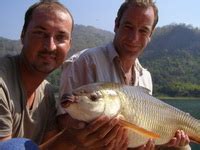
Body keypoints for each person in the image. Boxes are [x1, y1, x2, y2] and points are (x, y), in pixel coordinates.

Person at [59, 0, 191, 149]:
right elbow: (62, 120)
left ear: (151, 35)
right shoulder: (85, 62)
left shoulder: (145, 77)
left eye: (143, 31)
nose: (134, 38)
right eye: (128, 27)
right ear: (116, 24)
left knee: (183, 147)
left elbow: (144, 137)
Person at [0, 1, 128, 150]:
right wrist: (69, 138)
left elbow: (50, 144)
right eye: (40, 33)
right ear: (22, 35)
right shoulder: (3, 83)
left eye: (60, 37)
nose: (50, 46)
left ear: (69, 45)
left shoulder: (46, 92)